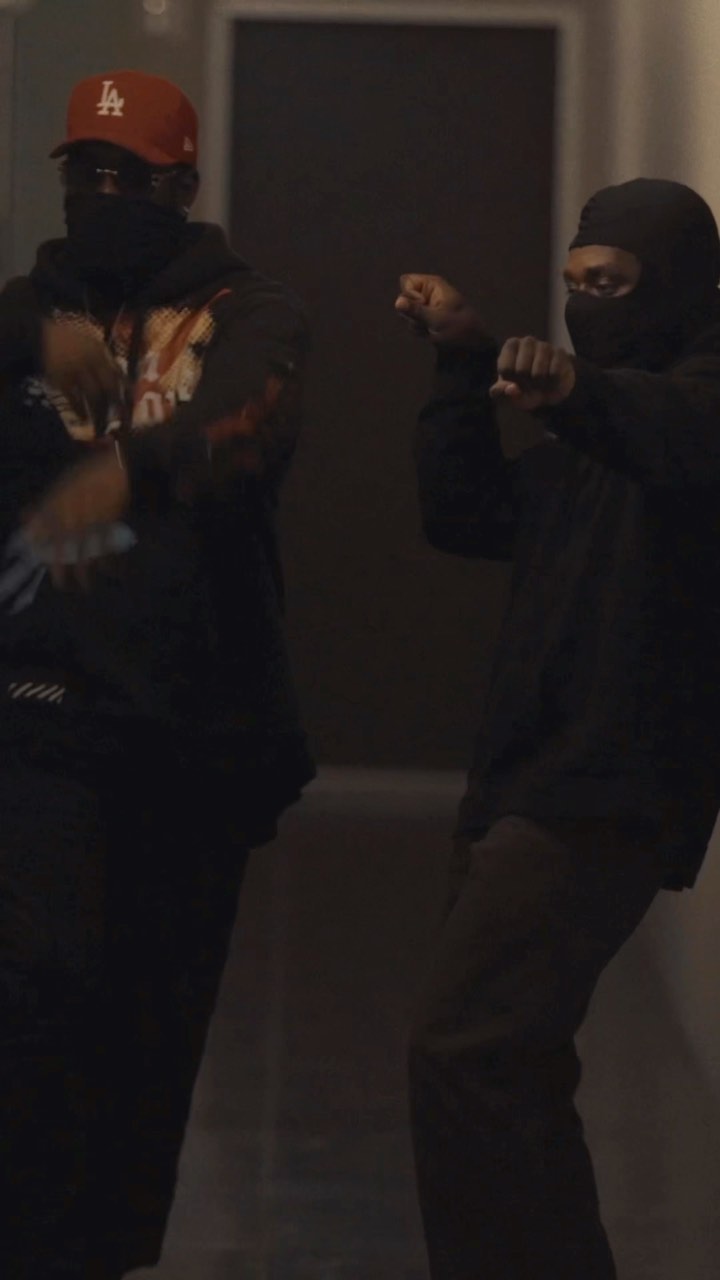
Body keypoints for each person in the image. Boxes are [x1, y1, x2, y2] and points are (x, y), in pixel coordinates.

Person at [0, 70, 313, 1280]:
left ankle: (100, 1251)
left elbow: (251, 422)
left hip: (193, 728)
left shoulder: (250, 310)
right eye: (86, 173)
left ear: (179, 188)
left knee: (150, 1023)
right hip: (41, 715)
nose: (104, 194)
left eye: (129, 176)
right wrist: (38, 342)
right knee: (38, 985)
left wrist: (129, 466)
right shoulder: (25, 310)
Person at [395, 177, 720, 1279]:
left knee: (467, 1048)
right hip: (526, 780)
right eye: (576, 285)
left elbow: (670, 434)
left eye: (612, 285)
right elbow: (469, 515)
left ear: (677, 287)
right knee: (504, 1066)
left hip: (603, 793)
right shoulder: (595, 428)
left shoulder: (684, 406)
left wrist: (575, 388)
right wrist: (460, 363)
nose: (585, 306)